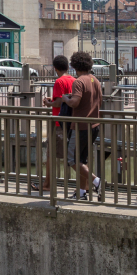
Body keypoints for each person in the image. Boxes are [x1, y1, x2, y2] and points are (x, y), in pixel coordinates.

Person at [60, 51, 105, 200]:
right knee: (82, 160)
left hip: (80, 127)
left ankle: (97, 181)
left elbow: (75, 102)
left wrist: (66, 99)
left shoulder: (78, 82)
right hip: (94, 126)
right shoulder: (95, 81)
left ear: (75, 66)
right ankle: (81, 193)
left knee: (71, 160)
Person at [41, 54, 74, 193]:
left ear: (55, 68)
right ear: (67, 66)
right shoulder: (73, 80)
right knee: (74, 155)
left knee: (51, 155)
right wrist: (53, 99)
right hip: (71, 123)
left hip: (58, 123)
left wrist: (49, 103)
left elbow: (59, 102)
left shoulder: (59, 82)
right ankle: (85, 185)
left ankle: (47, 184)